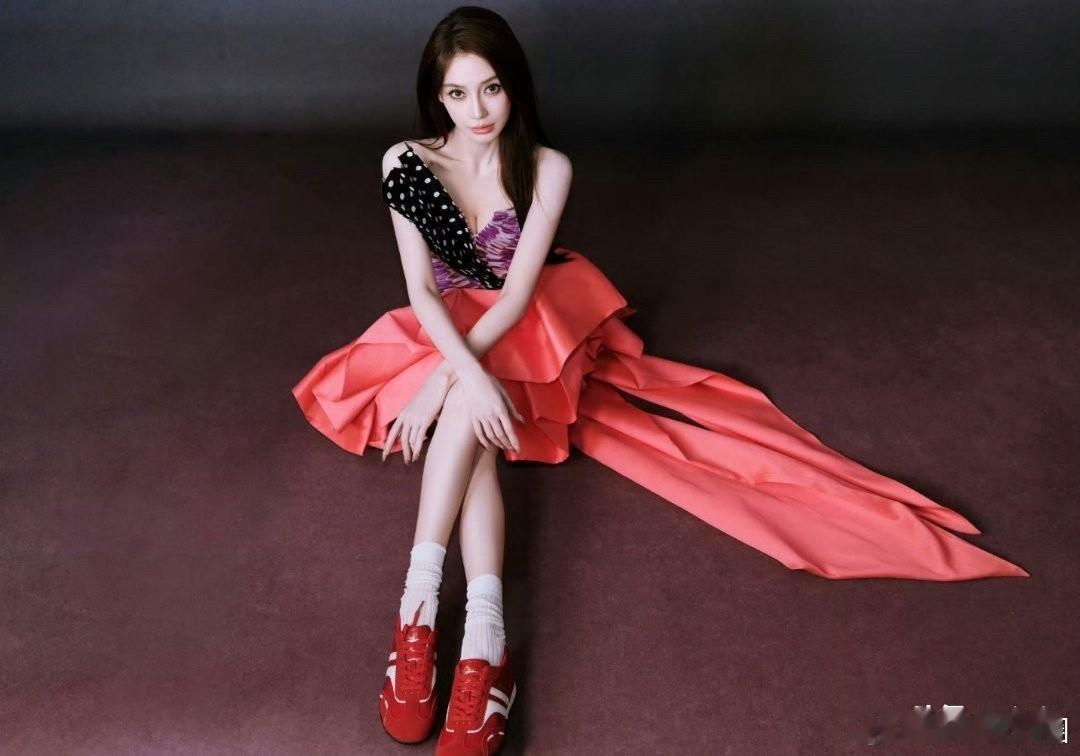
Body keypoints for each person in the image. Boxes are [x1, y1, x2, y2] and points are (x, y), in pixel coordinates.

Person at [291, 6, 1029, 754]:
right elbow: (422, 291)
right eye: (457, 93)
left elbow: (515, 298)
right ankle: (479, 638)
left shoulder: (548, 168)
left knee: (464, 406)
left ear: (514, 85)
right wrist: (457, 375)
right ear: (435, 96)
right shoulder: (404, 162)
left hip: (524, 327)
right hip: (448, 325)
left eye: (491, 88)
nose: (476, 111)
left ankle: (419, 615)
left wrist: (451, 381)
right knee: (469, 417)